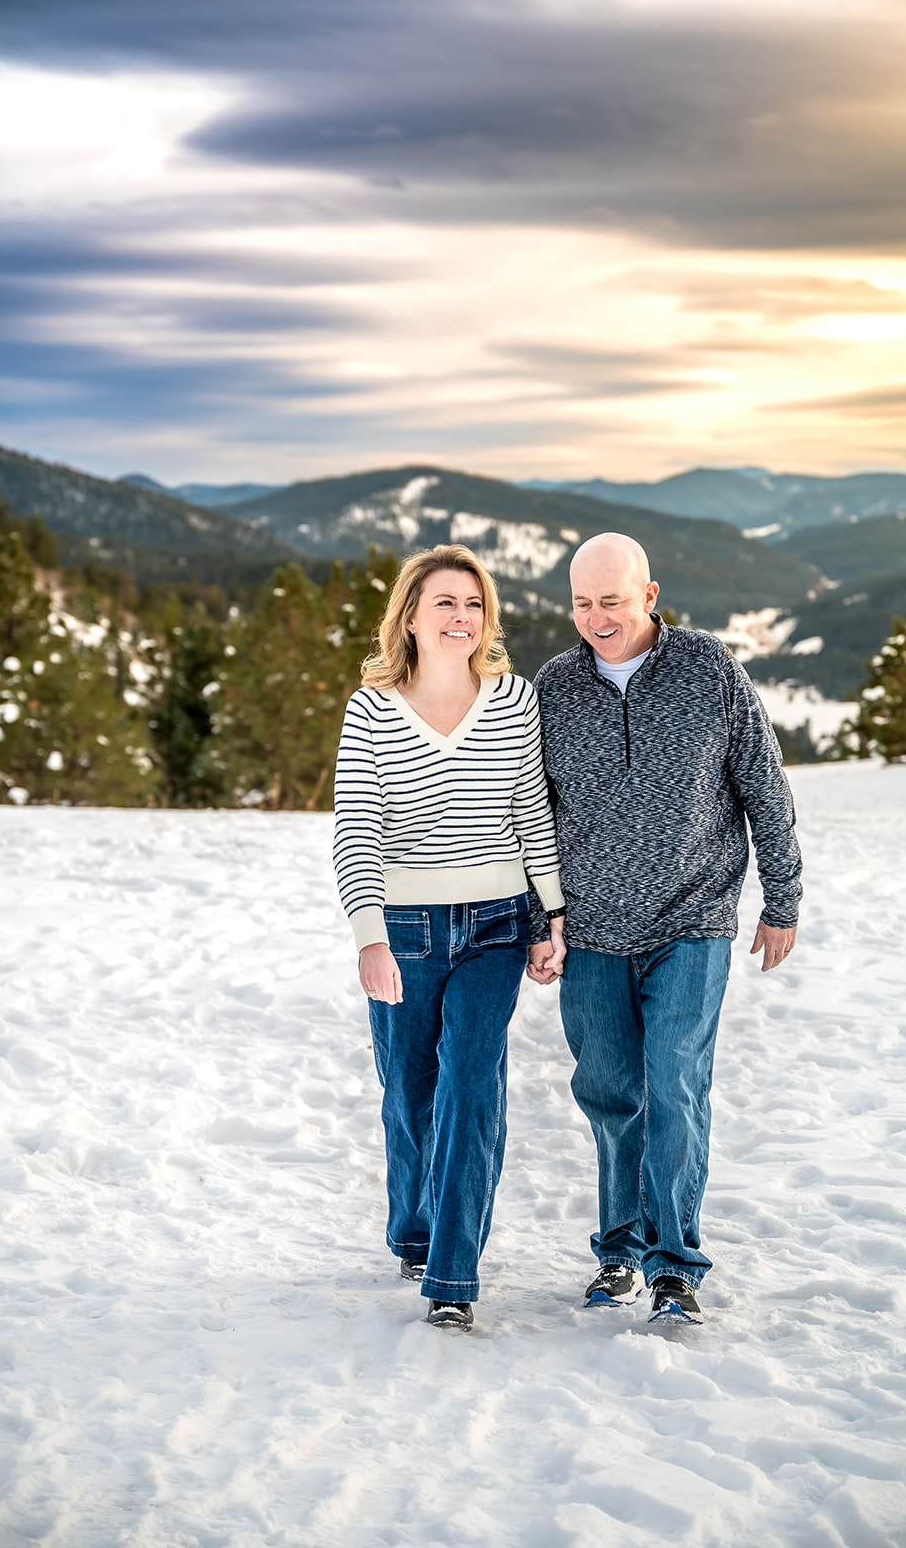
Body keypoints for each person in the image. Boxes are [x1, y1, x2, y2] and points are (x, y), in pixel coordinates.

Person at [526, 532, 801, 1325]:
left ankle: (675, 1265)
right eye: (581, 604)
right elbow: (531, 815)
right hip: (591, 932)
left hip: (692, 918)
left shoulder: (707, 669)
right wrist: (540, 920)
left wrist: (781, 899)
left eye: (611, 601)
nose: (596, 618)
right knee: (610, 1093)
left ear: (648, 596)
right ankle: (619, 1250)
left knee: (675, 1085)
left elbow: (763, 784)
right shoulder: (554, 687)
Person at [333, 543, 565, 1332]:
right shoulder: (371, 710)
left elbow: (531, 811)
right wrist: (368, 938)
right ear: (409, 616)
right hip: (403, 931)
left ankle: (453, 1277)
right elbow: (356, 830)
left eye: (473, 604)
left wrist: (551, 915)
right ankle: (413, 1230)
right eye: (444, 602)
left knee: (471, 1086)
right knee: (408, 1092)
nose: (461, 617)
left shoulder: (514, 700)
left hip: (496, 925)